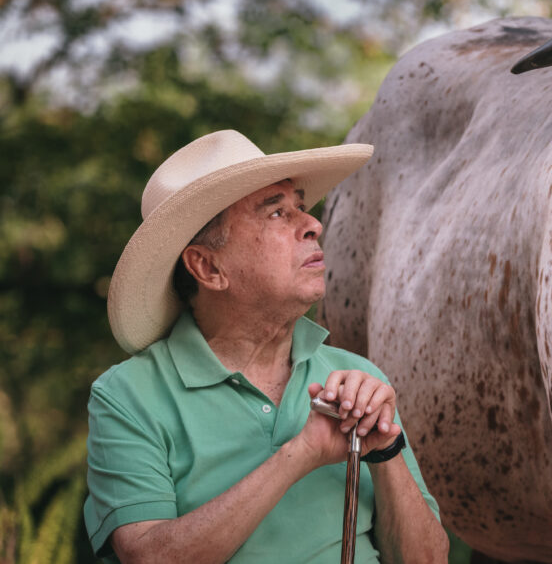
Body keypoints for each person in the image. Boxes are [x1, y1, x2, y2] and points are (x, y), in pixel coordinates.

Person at [83, 130, 449, 563]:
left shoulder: (359, 378)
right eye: (276, 213)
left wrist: (385, 450)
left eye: (300, 207)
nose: (313, 225)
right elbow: (150, 558)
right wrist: (302, 453)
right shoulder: (128, 395)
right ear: (208, 266)